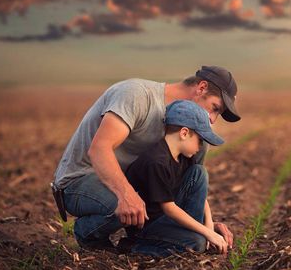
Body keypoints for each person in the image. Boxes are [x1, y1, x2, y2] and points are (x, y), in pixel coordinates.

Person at [51, 65, 240, 252]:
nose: (213, 119)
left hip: (134, 185)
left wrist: (205, 226)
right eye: (215, 108)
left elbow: (190, 182)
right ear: (201, 88)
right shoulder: (137, 95)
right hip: (80, 180)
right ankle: (87, 233)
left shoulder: (194, 133)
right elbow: (99, 149)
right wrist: (126, 195)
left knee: (194, 179)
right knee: (127, 199)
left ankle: (149, 236)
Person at [125, 100, 228, 257]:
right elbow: (169, 208)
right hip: (149, 226)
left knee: (199, 172)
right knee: (197, 243)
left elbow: (201, 197)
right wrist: (208, 234)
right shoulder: (156, 161)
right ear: (184, 133)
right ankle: (135, 247)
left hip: (169, 219)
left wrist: (208, 228)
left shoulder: (184, 156)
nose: (200, 147)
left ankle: (193, 232)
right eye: (200, 140)